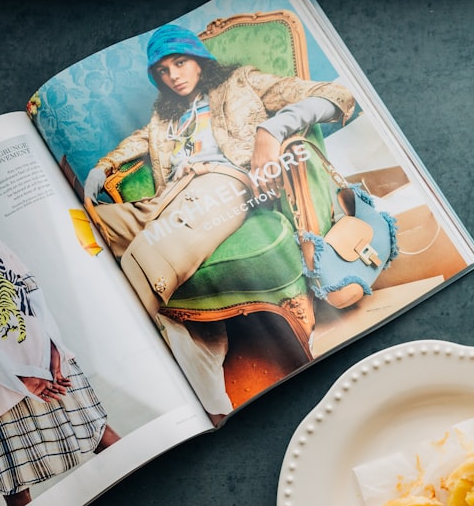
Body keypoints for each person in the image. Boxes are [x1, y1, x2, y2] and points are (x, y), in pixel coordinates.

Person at [82, 23, 355, 422]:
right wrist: (104, 166)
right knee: (84, 233)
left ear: (199, 61)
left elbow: (336, 95)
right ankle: (203, 345)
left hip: (221, 186)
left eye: (180, 62)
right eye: (163, 71)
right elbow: (140, 139)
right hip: (163, 198)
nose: (173, 75)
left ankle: (127, 386)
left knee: (142, 260)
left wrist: (270, 129)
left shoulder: (240, 83)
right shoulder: (165, 115)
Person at [0, 238, 120, 506]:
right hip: (2, 388)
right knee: (16, 488)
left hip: (47, 362)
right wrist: (16, 377)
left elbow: (29, 288)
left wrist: (54, 349)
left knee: (102, 436)